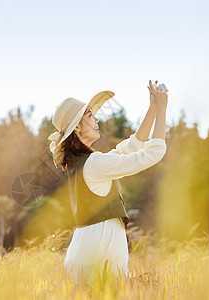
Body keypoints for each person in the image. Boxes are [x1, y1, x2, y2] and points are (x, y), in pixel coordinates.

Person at [48, 80, 168, 285]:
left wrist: (153, 109)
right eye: (90, 116)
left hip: (87, 248)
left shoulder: (86, 163)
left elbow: (130, 147)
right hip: (97, 251)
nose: (97, 121)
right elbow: (152, 153)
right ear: (77, 127)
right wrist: (163, 109)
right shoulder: (95, 164)